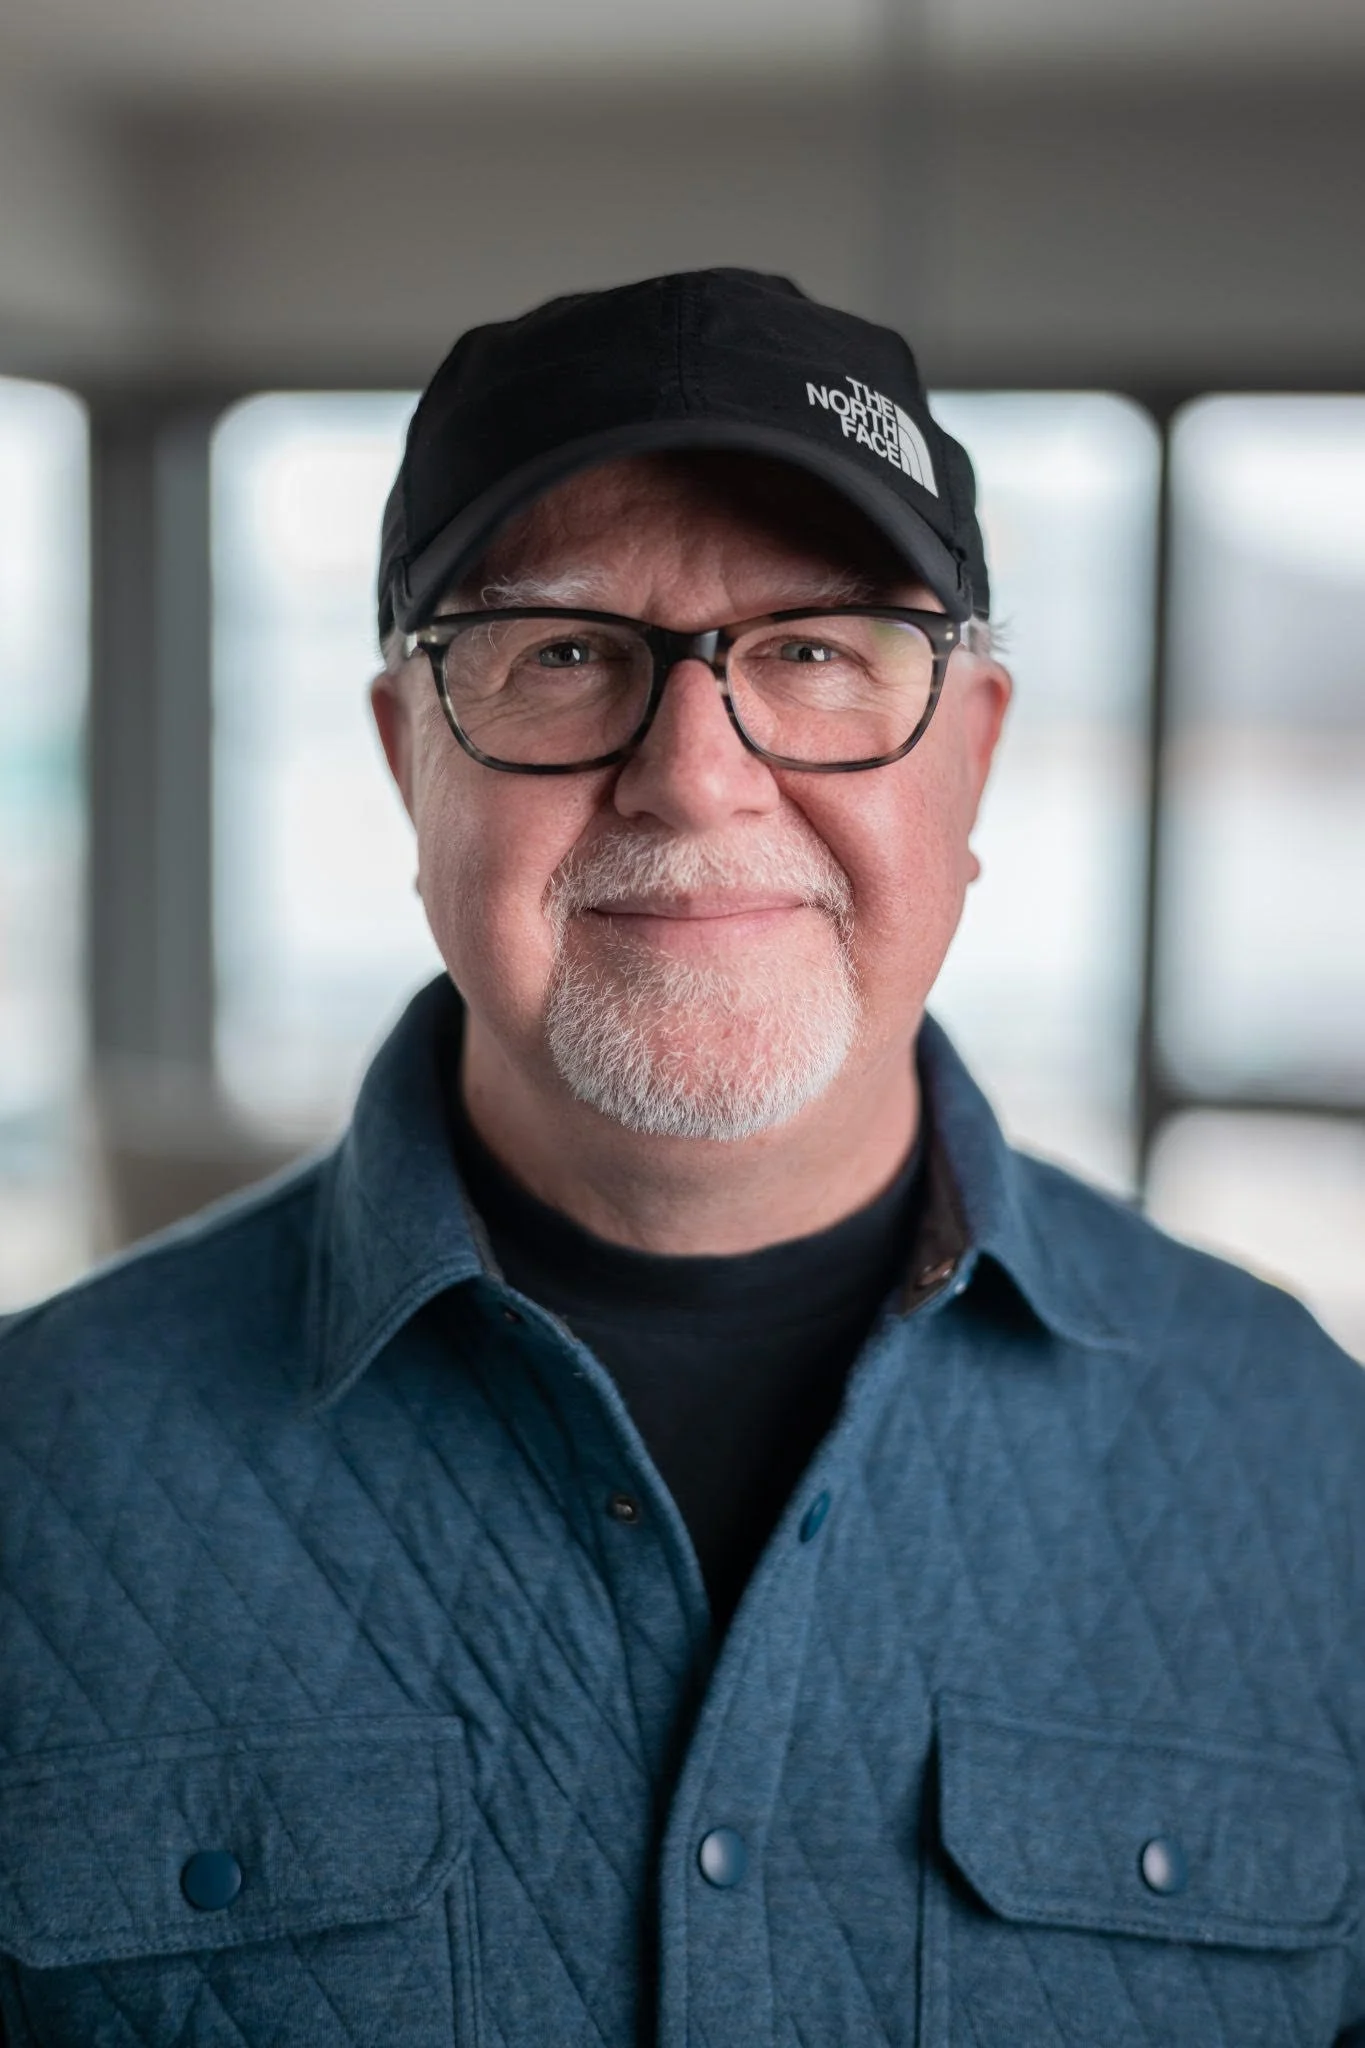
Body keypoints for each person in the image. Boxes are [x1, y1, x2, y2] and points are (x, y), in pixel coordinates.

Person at [1, 268, 1363, 2048]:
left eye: (812, 652)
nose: (696, 778)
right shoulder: (41, 1470)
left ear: (972, 756)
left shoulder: (1306, 1465)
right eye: (564, 652)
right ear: (414, 759)